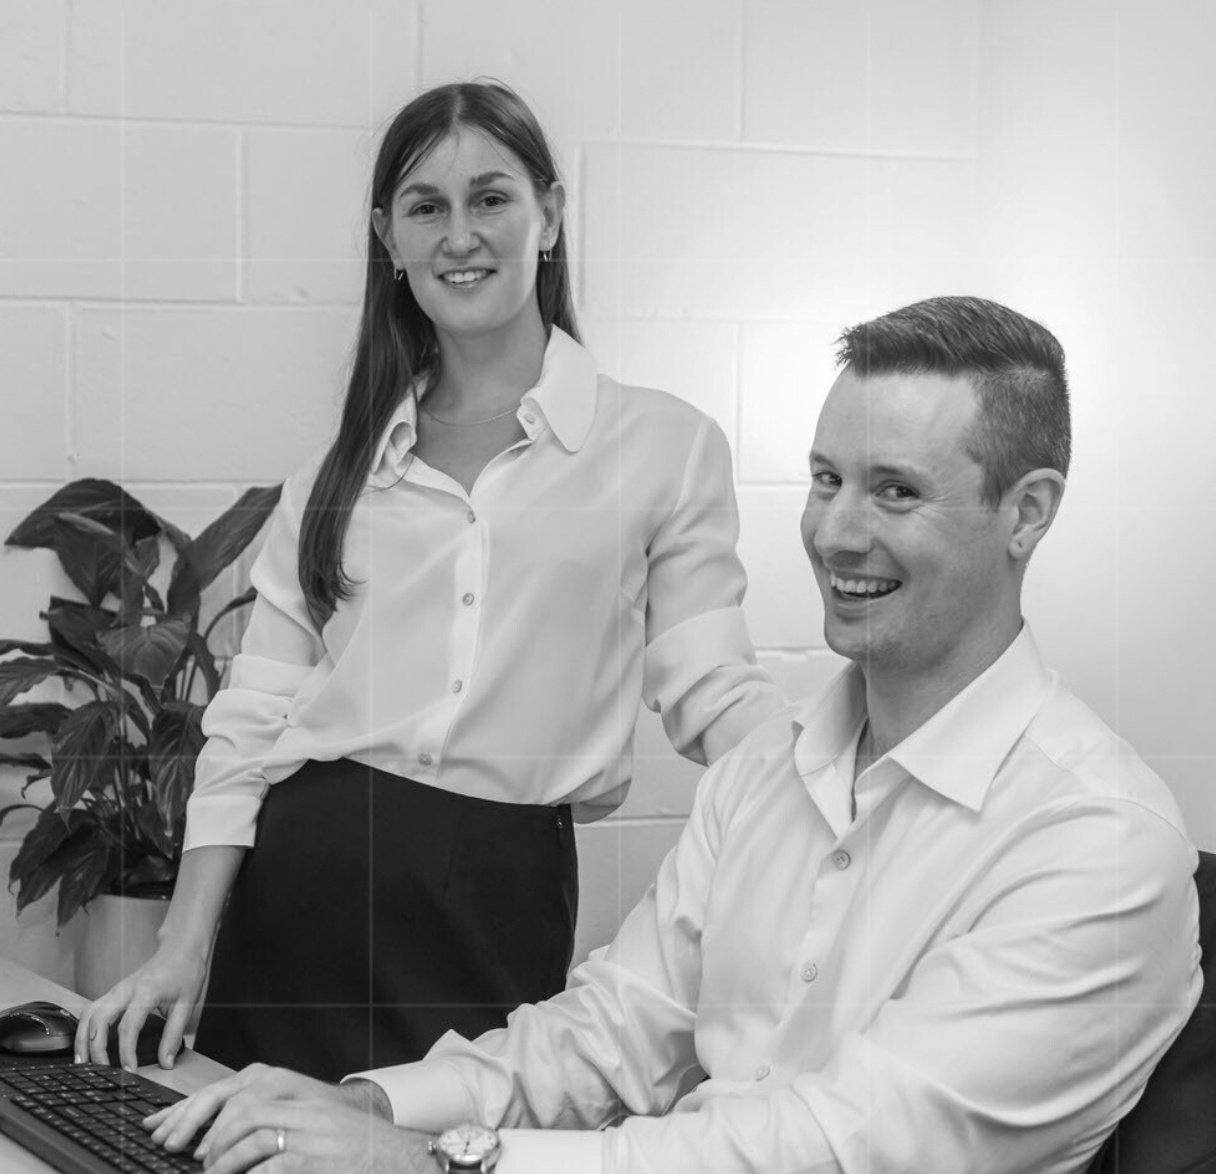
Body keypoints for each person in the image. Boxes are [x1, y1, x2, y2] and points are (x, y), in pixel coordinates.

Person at [141, 296, 1205, 1174]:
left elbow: (849, 1164)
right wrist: (369, 1107)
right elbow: (602, 1040)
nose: (836, 532)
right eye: (827, 479)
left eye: (896, 492)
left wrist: (438, 1173)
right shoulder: (768, 778)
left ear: (1027, 512)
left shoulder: (1096, 840)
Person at [75, 81, 784, 1080]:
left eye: (490, 198)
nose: (460, 234)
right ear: (389, 240)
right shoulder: (338, 471)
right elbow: (251, 721)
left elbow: (713, 689)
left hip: (497, 894)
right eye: (425, 207)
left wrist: (841, 788)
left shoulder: (663, 448)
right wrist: (181, 945)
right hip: (302, 880)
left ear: (549, 214)